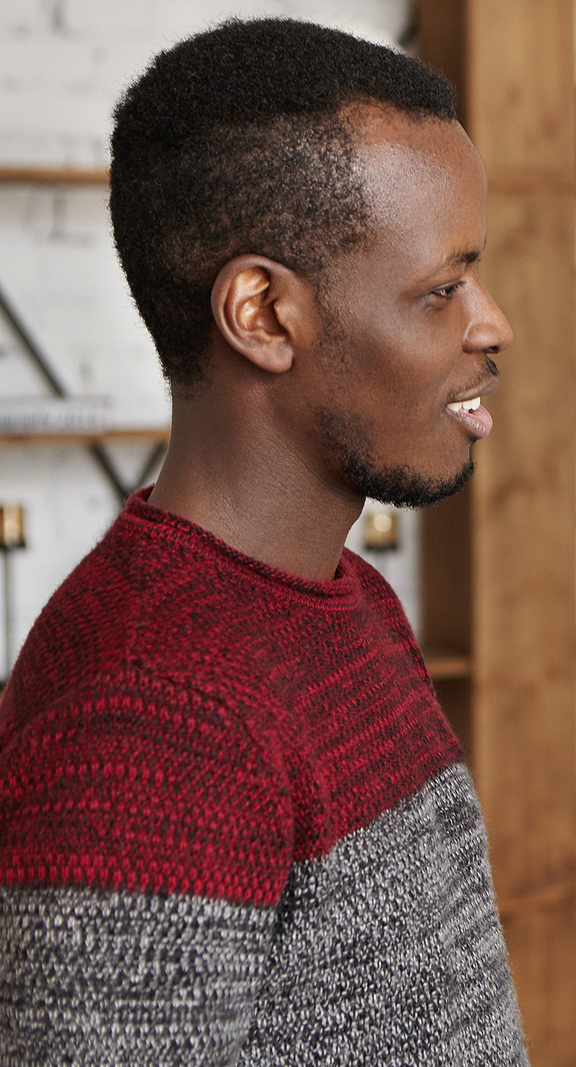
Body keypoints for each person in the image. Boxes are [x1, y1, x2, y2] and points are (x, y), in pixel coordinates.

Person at [0, 19, 527, 1064]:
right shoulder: (155, 719)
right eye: (440, 289)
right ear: (263, 314)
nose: (493, 322)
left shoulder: (348, 597)